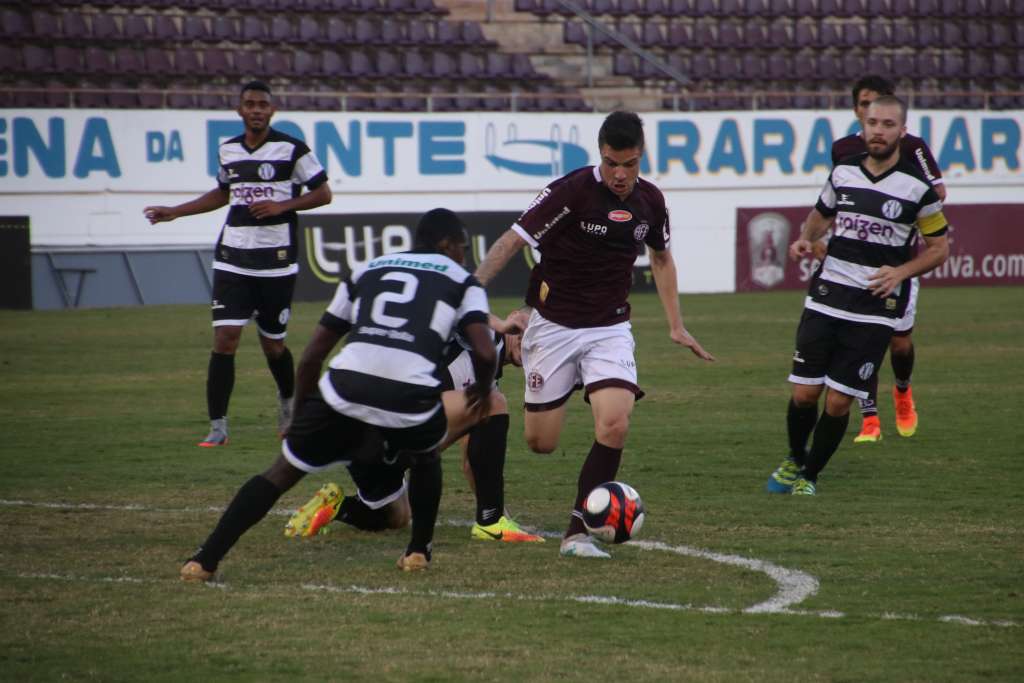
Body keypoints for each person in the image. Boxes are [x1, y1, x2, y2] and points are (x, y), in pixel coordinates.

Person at [179, 208, 497, 581]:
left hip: (345, 385)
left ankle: (205, 559)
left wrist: (300, 414)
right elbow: (486, 351)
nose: (465, 256)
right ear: (447, 245)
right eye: (463, 247)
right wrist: (482, 388)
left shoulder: (368, 268)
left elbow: (313, 353)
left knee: (283, 471)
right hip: (410, 391)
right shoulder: (463, 281)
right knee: (426, 457)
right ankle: (418, 551)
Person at [472, 111, 714, 559]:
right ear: (599, 154)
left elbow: (661, 259)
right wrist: (470, 292)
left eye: (631, 164)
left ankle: (577, 532)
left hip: (609, 329)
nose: (620, 174)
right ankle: (512, 350)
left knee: (615, 422)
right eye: (611, 163)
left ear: (641, 157)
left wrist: (676, 325)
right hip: (554, 326)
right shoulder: (572, 191)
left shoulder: (651, 202)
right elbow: (511, 241)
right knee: (541, 443)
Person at [766, 96, 949, 497]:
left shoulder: (918, 189)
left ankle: (809, 476)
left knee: (838, 403)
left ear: (902, 131)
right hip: (827, 295)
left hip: (874, 309)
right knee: (804, 392)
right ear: (862, 127)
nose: (878, 130)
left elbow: (939, 248)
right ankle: (795, 458)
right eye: (872, 123)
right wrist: (805, 238)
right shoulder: (843, 172)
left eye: (887, 124)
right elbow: (821, 214)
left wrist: (900, 272)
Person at [144, 81, 332, 447]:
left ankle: (288, 403)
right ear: (239, 110)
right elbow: (223, 193)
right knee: (225, 339)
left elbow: (323, 194)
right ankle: (218, 427)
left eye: (263, 104)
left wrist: (282, 206)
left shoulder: (293, 149)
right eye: (250, 104)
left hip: (276, 262)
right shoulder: (228, 150)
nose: (257, 109)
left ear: (272, 111)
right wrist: (175, 213)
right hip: (232, 258)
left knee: (273, 346)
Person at [283, 320, 545, 544]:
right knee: (493, 401)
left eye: (541, 342)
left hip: (375, 436)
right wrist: (496, 322)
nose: (532, 342)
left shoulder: (489, 374)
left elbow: (471, 463)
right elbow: (462, 300)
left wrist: (500, 512)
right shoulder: (486, 336)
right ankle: (491, 523)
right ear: (512, 320)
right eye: (527, 330)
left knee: (396, 517)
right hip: (384, 424)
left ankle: (337, 506)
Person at [826, 75, 947, 444]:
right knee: (861, 339)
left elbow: (936, 191)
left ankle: (903, 390)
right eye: (865, 106)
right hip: (851, 264)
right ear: (857, 112)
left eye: (879, 106)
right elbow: (837, 194)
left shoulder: (913, 147)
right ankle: (870, 418)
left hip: (897, 262)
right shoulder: (843, 149)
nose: (873, 115)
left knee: (899, 343)